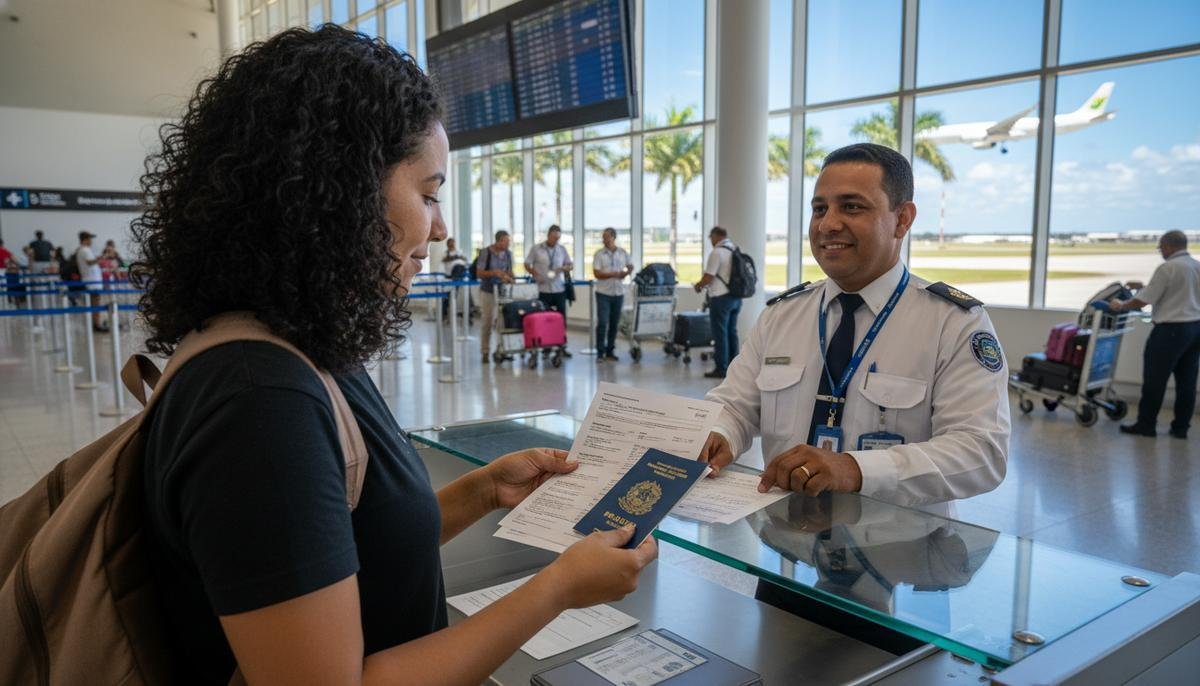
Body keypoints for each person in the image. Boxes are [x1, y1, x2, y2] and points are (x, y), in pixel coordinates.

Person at [130, 26, 655, 684]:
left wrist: (483, 490)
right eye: (429, 194)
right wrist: (558, 588)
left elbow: (340, 547)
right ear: (337, 190)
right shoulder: (259, 405)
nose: (440, 228)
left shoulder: (299, 345)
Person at [697, 143, 1009, 512]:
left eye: (852, 206)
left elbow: (981, 452)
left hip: (896, 552)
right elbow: (736, 404)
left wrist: (855, 470)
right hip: (783, 545)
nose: (828, 224)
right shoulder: (782, 315)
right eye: (819, 208)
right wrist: (721, 433)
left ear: (903, 219)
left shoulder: (953, 323)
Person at [1108, 230, 1200, 439]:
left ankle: (1146, 425)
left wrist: (1121, 305)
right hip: (1195, 329)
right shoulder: (1196, 266)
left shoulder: (1168, 268)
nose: (1160, 251)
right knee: (1187, 381)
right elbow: (1179, 290)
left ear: (1169, 246)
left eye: (1160, 247)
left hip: (1170, 331)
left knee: (1155, 379)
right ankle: (1180, 428)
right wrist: (1143, 286)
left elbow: (1143, 301)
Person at [693, 226, 741, 378]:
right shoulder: (734, 249)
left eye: (711, 237)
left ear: (716, 236)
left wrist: (698, 285)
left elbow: (709, 276)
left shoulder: (717, 252)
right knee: (732, 332)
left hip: (720, 298)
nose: (711, 241)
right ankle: (735, 366)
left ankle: (721, 368)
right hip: (736, 297)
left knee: (720, 334)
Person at [526, 224, 574, 356]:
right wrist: (535, 274)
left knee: (561, 319)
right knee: (544, 319)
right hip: (543, 289)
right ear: (548, 236)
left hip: (559, 289)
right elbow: (527, 263)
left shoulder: (562, 249)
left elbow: (569, 264)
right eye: (554, 238)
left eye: (558, 238)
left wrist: (566, 268)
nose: (556, 241)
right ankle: (546, 346)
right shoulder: (537, 249)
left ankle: (561, 346)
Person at [591, 227, 633, 361]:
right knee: (603, 323)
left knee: (614, 324)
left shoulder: (622, 252)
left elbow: (630, 266)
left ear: (613, 238)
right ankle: (600, 352)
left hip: (618, 293)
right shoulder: (599, 254)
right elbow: (597, 273)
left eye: (607, 237)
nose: (604, 239)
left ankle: (610, 351)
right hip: (603, 293)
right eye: (603, 237)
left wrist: (625, 273)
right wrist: (613, 274)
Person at [476, 230, 515, 362]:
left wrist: (509, 276)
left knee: (503, 322)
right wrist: (494, 273)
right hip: (487, 291)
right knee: (487, 321)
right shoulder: (485, 253)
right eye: (506, 241)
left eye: (509, 241)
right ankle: (485, 351)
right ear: (498, 241)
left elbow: (509, 271)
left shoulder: (508, 254)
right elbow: (479, 273)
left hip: (503, 292)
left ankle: (502, 349)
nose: (508, 244)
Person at [75, 231, 108, 332]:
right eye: (90, 239)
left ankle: (96, 323)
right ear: (85, 240)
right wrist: (102, 258)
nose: (91, 241)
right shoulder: (84, 250)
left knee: (95, 303)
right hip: (92, 282)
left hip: (93, 281)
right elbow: (89, 263)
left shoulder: (85, 250)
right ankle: (96, 324)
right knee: (95, 303)